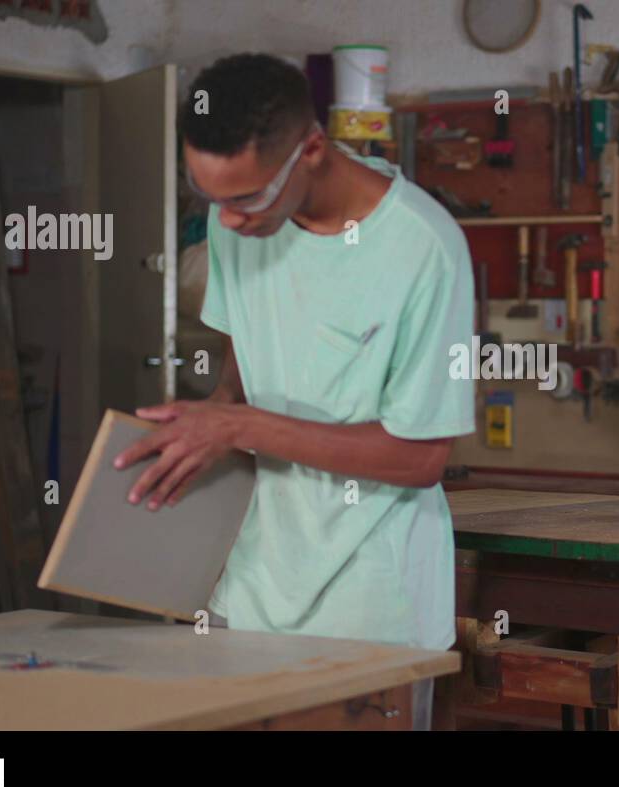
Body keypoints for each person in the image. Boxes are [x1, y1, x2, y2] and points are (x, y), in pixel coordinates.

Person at [114, 54, 476, 727]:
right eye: (207, 196)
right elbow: (239, 380)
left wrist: (239, 427)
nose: (225, 221)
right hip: (247, 593)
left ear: (312, 150)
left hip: (369, 611)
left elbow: (420, 456)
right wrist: (193, 437)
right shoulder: (240, 229)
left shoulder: (425, 249)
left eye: (246, 197)